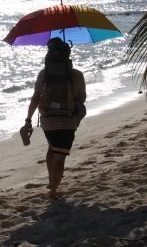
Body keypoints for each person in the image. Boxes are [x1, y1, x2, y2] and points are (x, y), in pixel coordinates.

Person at [24, 37, 86, 199]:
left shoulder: (43, 74)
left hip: (47, 121)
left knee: (52, 147)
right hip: (67, 121)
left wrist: (28, 119)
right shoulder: (77, 75)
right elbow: (81, 99)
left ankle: (52, 180)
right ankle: (53, 192)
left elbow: (35, 97)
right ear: (68, 55)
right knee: (60, 158)